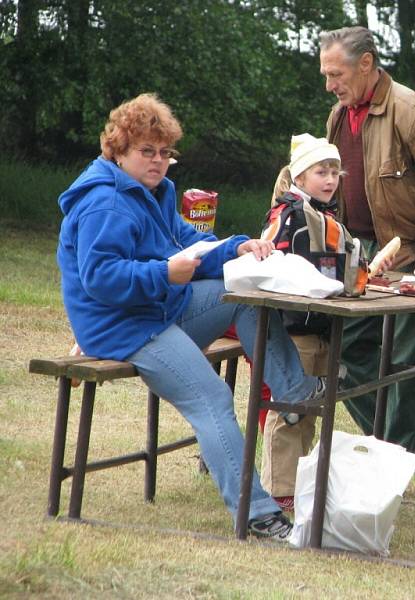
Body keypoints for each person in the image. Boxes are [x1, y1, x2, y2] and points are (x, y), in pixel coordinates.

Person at [56, 93, 326, 541]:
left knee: (243, 294)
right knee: (213, 399)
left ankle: (294, 394)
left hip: (161, 308)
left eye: (165, 153)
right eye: (147, 151)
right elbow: (100, 278)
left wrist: (236, 246)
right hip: (124, 327)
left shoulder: (154, 191)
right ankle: (257, 514)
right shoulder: (104, 202)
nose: (158, 161)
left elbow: (188, 241)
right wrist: (166, 272)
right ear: (117, 150)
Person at [319, 26, 415, 466]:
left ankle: (393, 460)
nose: (330, 85)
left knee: (407, 364)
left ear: (365, 64)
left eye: (336, 74)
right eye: (326, 76)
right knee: (341, 349)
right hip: (358, 255)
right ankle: (400, 449)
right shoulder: (338, 116)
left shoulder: (410, 110)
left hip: (409, 256)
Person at [257, 133, 354, 510]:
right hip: (294, 329)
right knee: (290, 411)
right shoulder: (289, 216)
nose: (330, 179)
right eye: (321, 172)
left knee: (311, 410)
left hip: (321, 325)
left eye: (335, 172)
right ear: (299, 178)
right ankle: (279, 491)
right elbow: (271, 265)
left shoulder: (323, 214)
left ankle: (298, 487)